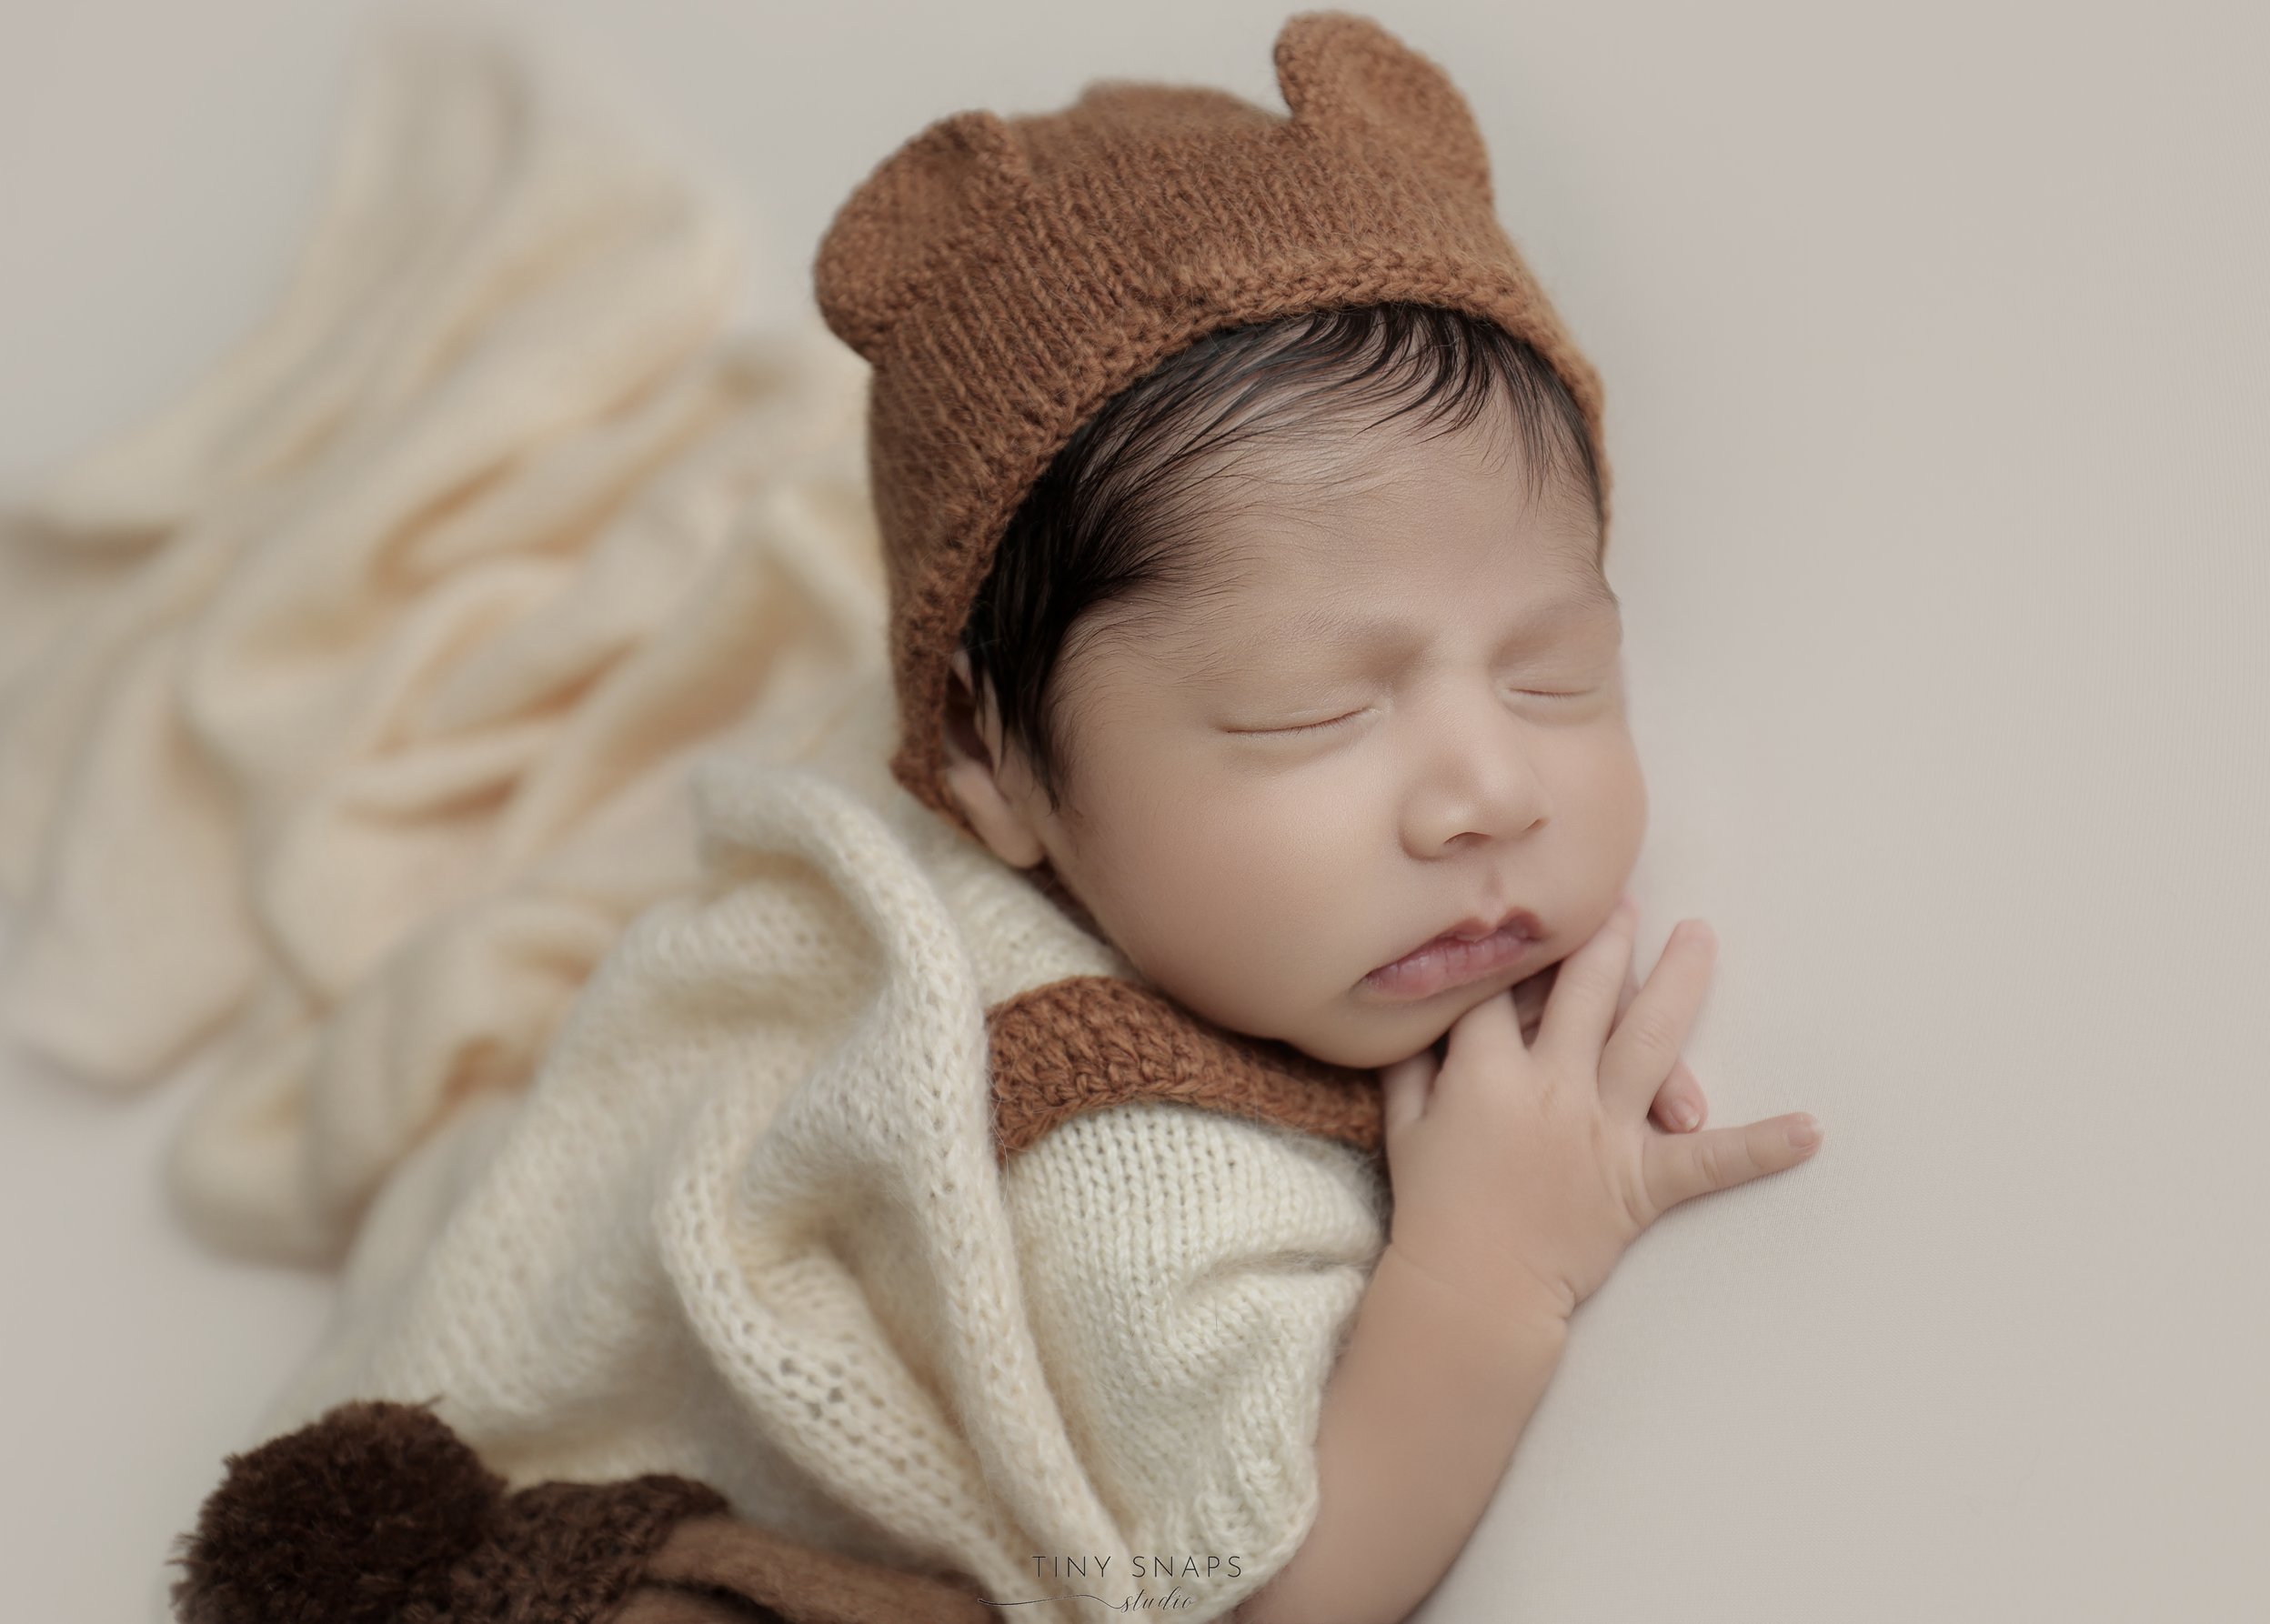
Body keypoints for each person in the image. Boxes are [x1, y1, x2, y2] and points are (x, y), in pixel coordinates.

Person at [174, 14, 1823, 1624]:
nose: (1488, 794)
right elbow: (1251, 1588)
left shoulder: (1209, 857)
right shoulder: (1130, 1162)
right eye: (1309, 715)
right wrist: (1486, 1271)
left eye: (1558, 673)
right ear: (987, 765)